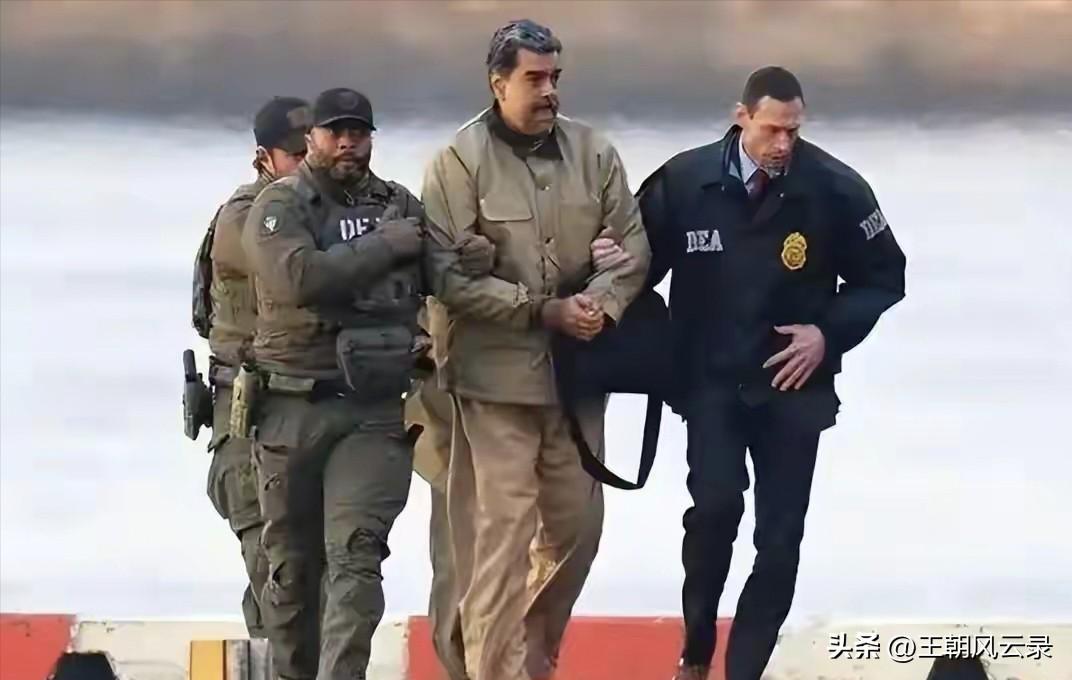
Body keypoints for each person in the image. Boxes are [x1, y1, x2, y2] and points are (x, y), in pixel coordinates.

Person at [637, 67, 906, 680]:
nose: (783, 144)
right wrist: (612, 281)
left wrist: (827, 334)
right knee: (714, 510)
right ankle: (696, 649)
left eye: (793, 131)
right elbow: (631, 276)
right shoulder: (685, 180)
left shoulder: (835, 187)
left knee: (779, 541)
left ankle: (744, 671)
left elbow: (885, 277)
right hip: (712, 383)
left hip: (794, 388)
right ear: (742, 118)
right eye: (771, 130)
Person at [422, 19, 650, 680]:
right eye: (534, 78)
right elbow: (447, 276)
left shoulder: (595, 154)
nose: (549, 90)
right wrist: (541, 310)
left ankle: (531, 657)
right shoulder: (458, 162)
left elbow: (633, 248)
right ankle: (493, 670)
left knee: (577, 531)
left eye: (555, 77)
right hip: (494, 383)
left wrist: (599, 303)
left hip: (577, 379)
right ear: (499, 84)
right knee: (501, 536)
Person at [241, 87, 427, 680]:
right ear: (313, 138)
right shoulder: (279, 206)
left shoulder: (398, 204)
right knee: (291, 573)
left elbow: (444, 269)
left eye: (359, 132)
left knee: (356, 557)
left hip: (372, 413)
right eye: (335, 132)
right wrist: (383, 247)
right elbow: (300, 278)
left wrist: (479, 263)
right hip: (291, 410)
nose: (348, 143)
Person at [192, 95, 309, 639]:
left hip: (301, 416)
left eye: (314, 149)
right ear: (264, 157)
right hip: (249, 420)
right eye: (296, 153)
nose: (308, 163)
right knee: (276, 576)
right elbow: (295, 268)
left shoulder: (323, 209)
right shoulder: (247, 216)